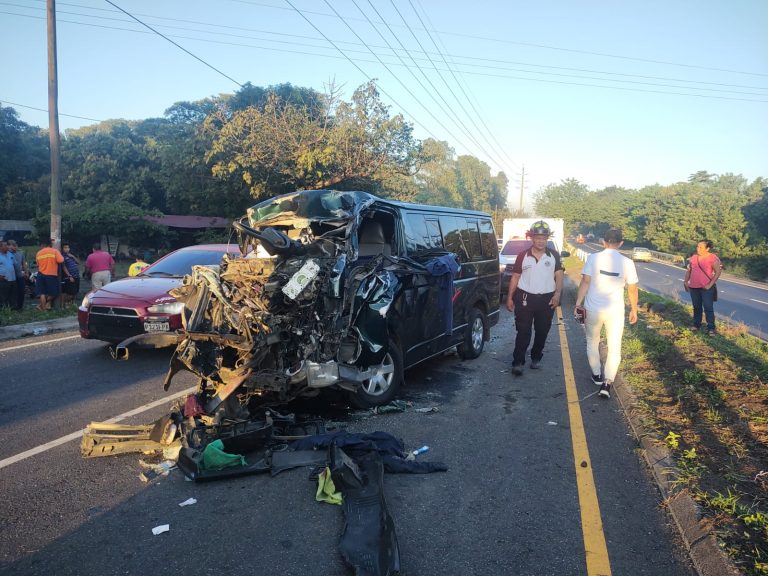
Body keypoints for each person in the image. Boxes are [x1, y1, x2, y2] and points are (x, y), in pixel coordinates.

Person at [573, 228, 639, 399]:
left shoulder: (594, 258)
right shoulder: (627, 263)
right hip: (615, 311)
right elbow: (632, 289)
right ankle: (607, 383)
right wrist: (634, 308)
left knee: (591, 342)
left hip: (593, 308)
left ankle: (596, 375)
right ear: (621, 243)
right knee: (614, 347)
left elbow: (585, 281)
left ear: (603, 242)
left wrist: (578, 303)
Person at [505, 220, 564, 375]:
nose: (540, 241)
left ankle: (536, 357)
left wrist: (557, 294)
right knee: (523, 330)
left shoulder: (554, 256)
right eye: (537, 238)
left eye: (544, 238)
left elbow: (559, 275)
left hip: (546, 299)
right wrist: (510, 298)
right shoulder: (522, 256)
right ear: (532, 238)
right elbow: (515, 277)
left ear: (547, 239)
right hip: (525, 298)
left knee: (542, 331)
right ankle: (518, 362)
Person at [683, 239, 722, 335]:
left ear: (707, 248)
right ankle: (696, 325)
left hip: (706, 288)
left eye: (701, 247)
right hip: (694, 287)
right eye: (697, 246)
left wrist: (710, 285)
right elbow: (689, 270)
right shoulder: (693, 257)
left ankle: (711, 328)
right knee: (696, 307)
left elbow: (718, 272)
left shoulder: (713, 258)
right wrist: (685, 281)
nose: (698, 248)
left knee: (708, 307)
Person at [35, 239, 64, 311]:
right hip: (51, 275)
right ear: (50, 245)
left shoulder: (39, 253)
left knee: (42, 293)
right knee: (54, 293)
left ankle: (43, 308)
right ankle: (44, 305)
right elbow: (61, 260)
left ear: (43, 245)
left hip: (40, 275)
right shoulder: (54, 251)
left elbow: (37, 264)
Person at [7, 240, 28, 310]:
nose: (15, 247)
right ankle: (12, 307)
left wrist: (26, 272)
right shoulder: (7, 254)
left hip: (20, 276)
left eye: (15, 245)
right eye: (13, 246)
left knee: (21, 291)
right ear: (9, 246)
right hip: (11, 277)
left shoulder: (20, 253)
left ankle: (20, 307)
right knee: (13, 292)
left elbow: (24, 263)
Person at [0, 240, 17, 309]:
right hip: (3, 279)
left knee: (13, 295)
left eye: (7, 245)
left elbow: (14, 264)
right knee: (4, 296)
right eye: (5, 245)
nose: (7, 247)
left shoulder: (10, 254)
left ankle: (12, 309)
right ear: (0, 247)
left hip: (12, 278)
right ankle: (4, 309)